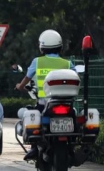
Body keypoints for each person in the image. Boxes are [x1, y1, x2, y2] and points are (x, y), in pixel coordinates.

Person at [15, 29, 77, 161]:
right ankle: (71, 147)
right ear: (60, 46)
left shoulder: (37, 62)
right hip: (66, 103)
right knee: (75, 118)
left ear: (42, 47)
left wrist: (20, 86)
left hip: (44, 104)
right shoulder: (67, 63)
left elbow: (27, 78)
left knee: (34, 120)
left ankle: (33, 148)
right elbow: (76, 78)